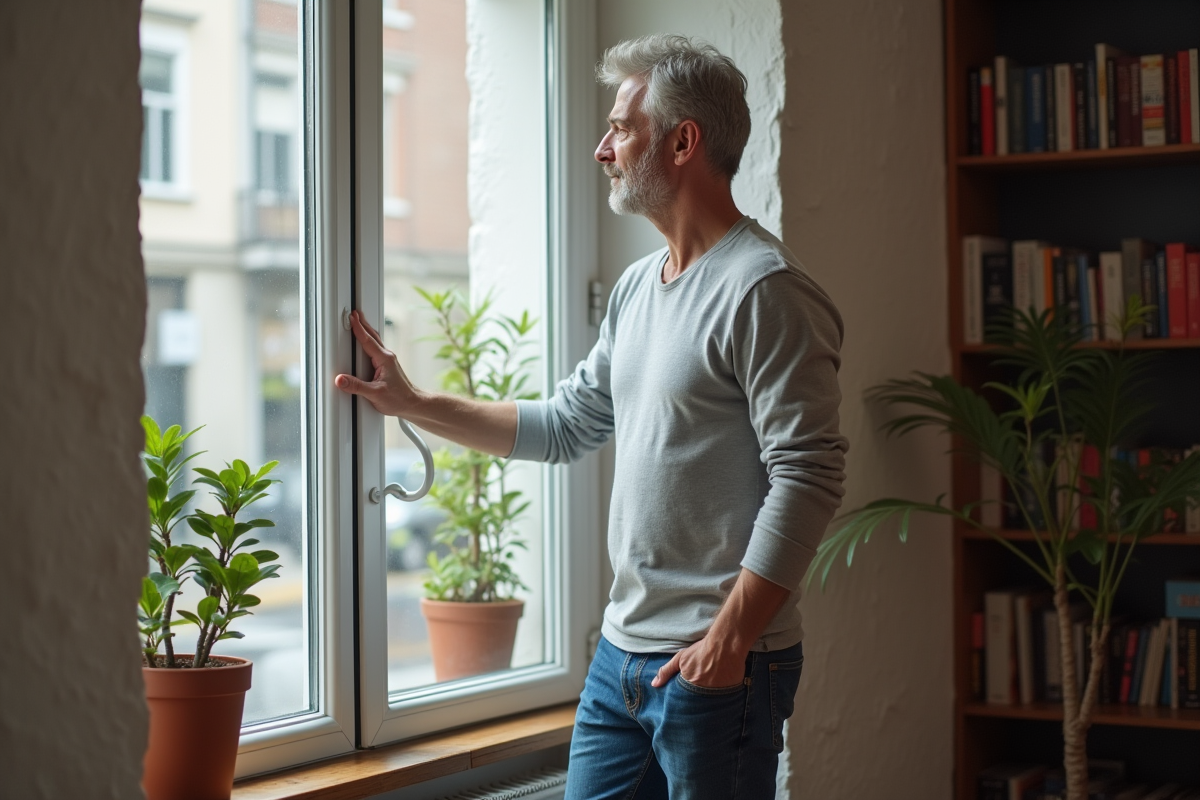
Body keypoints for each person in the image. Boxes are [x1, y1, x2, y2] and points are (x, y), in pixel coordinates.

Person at [335, 33, 847, 800]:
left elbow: (810, 473)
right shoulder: (641, 286)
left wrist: (730, 640)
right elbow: (568, 423)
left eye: (621, 128)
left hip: (717, 664)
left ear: (682, 141)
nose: (603, 149)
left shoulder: (764, 289)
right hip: (620, 657)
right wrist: (412, 404)